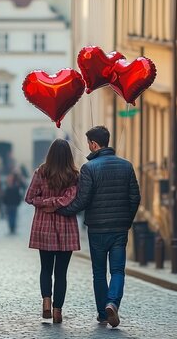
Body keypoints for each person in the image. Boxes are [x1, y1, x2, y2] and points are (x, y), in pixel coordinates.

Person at [56, 126, 140, 328]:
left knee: (99, 272)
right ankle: (113, 302)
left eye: (89, 144)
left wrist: (62, 210)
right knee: (118, 270)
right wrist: (126, 221)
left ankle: (103, 313)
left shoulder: (89, 168)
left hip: (97, 229)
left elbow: (82, 200)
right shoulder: (126, 166)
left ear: (94, 144)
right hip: (119, 228)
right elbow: (135, 198)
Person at [25, 139, 80, 324]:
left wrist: (46, 203)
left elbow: (30, 197)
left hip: (44, 225)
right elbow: (70, 199)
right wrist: (57, 203)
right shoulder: (74, 175)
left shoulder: (41, 172)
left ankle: (46, 303)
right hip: (66, 228)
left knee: (46, 269)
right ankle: (57, 311)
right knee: (61, 273)